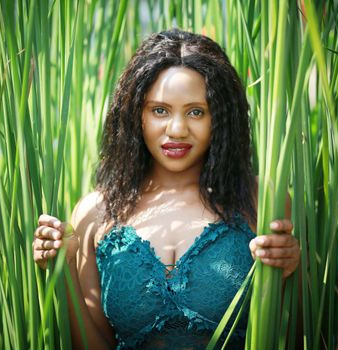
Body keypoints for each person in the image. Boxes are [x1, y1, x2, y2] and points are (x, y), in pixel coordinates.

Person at [33, 28, 300, 349]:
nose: (176, 129)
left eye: (196, 112)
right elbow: (94, 344)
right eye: (159, 110)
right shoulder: (95, 212)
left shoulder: (262, 200)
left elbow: (293, 334)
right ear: (136, 114)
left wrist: (292, 272)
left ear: (221, 118)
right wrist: (61, 267)